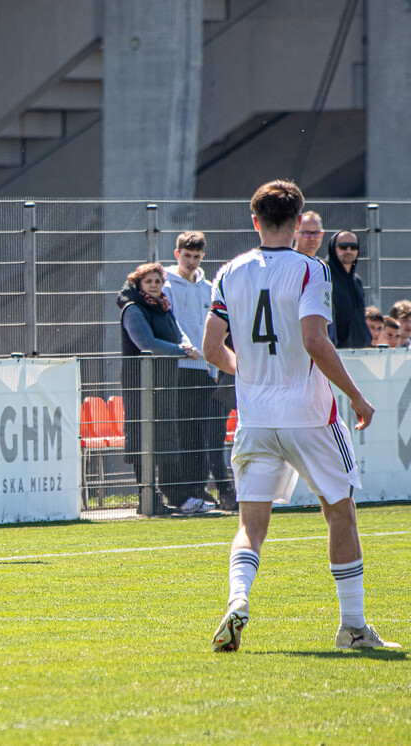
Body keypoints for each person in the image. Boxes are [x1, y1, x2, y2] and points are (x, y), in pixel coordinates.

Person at [203, 179, 398, 652]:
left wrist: (245, 371)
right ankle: (352, 627)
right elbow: (315, 340)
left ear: (255, 221)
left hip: (254, 417)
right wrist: (356, 396)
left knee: (251, 523)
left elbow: (212, 347)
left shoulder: (229, 271)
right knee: (340, 511)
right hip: (309, 414)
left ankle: (237, 600)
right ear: (296, 225)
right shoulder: (311, 270)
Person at [117, 262, 211, 514]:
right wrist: (182, 352)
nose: (154, 286)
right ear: (139, 285)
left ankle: (177, 497)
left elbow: (177, 332)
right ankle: (148, 498)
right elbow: (146, 343)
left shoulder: (163, 306)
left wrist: (187, 345)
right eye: (149, 282)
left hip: (165, 382)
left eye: (158, 281)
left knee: (168, 437)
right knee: (142, 438)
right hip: (141, 384)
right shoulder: (133, 309)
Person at [163, 231, 236, 511]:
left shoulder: (209, 287)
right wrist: (186, 345)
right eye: (186, 255)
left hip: (208, 368)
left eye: (196, 256)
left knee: (210, 433)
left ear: (202, 256)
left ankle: (207, 489)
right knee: (186, 432)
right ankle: (192, 490)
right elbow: (172, 321)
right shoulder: (167, 285)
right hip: (182, 366)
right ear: (176, 254)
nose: (191, 261)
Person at [326, 230, 371, 349]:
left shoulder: (356, 281)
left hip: (360, 352)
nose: (348, 251)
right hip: (335, 351)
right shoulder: (325, 278)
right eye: (343, 247)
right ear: (333, 248)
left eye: (353, 247)